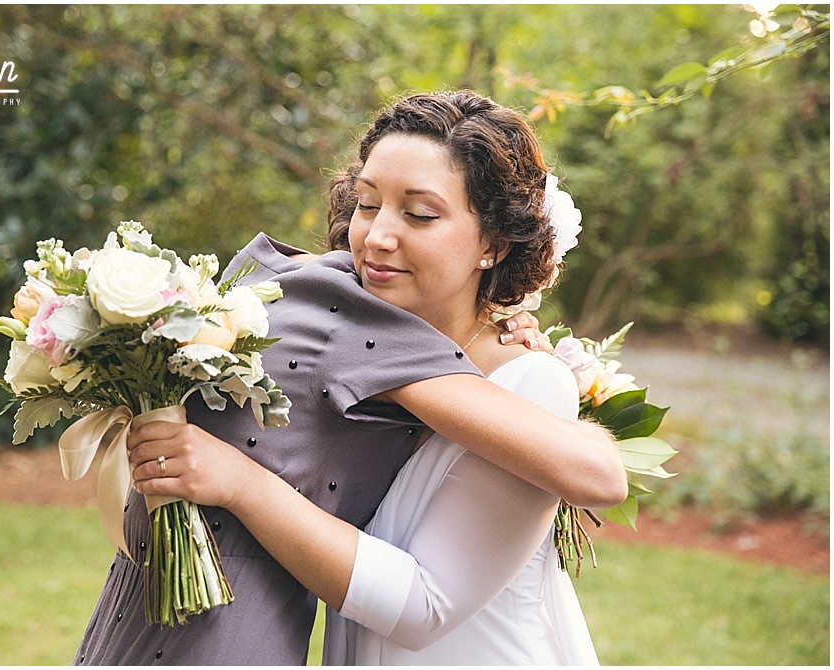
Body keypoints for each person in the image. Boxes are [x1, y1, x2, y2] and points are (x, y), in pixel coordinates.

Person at [74, 91, 626, 666]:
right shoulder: (339, 328)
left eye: (420, 214)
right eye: (367, 205)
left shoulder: (513, 375)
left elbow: (597, 480)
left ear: (494, 243)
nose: (378, 237)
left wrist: (238, 481)